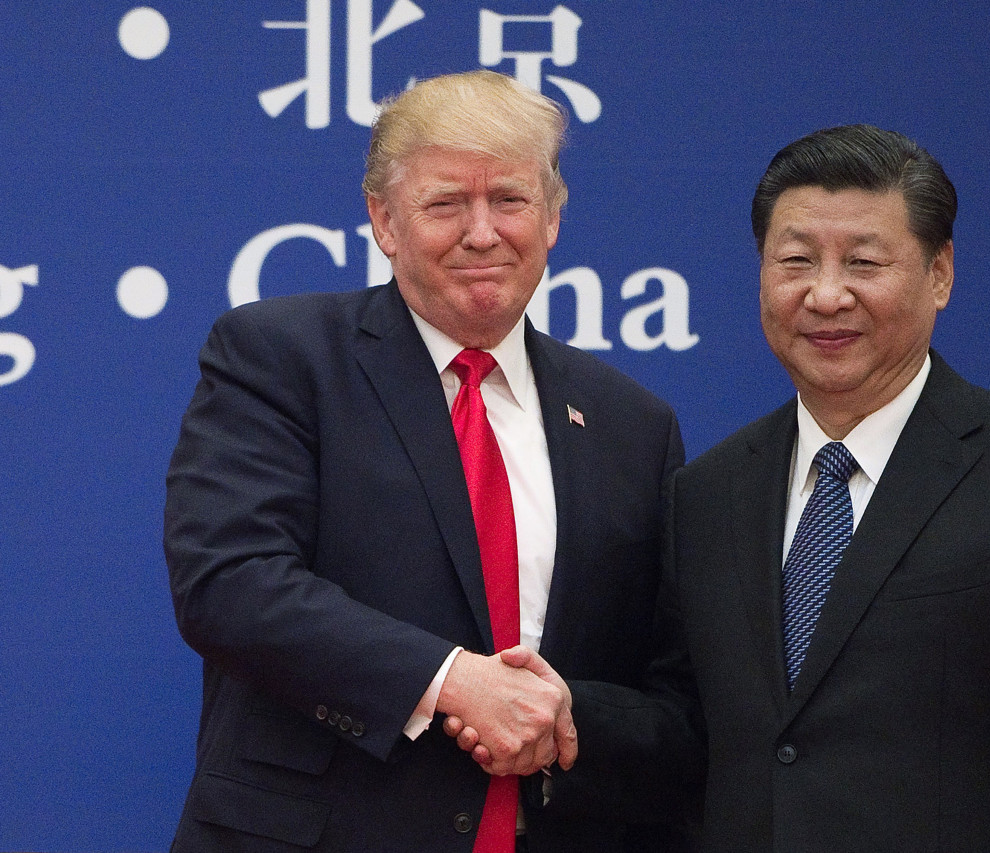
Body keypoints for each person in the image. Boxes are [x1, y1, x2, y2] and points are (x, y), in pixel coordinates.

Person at [502, 124, 990, 851]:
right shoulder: (709, 492)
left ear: (940, 273)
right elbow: (691, 729)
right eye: (795, 260)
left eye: (863, 262)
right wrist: (566, 712)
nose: (825, 295)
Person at [165, 70, 690, 852]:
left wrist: (567, 716)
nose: (482, 233)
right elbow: (229, 582)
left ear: (552, 217)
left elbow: (672, 693)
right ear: (384, 219)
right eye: (446, 203)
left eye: (509, 200)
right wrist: (452, 680)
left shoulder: (631, 422)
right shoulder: (281, 356)